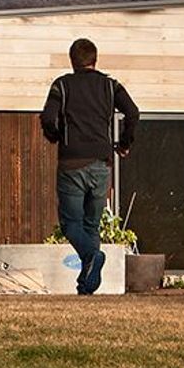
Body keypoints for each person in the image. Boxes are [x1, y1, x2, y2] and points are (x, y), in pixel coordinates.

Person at [40, 38, 140, 295]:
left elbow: (48, 117)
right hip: (102, 163)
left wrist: (55, 136)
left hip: (71, 162)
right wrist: (125, 143)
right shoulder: (110, 86)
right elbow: (133, 112)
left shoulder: (62, 85)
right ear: (95, 59)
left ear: (72, 60)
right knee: (91, 225)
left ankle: (91, 258)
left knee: (70, 223)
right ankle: (87, 286)